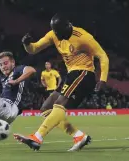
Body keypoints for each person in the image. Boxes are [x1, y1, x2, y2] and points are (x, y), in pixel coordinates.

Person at [13, 13, 109, 151]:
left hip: (84, 73)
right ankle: (79, 136)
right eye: (55, 32)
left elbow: (103, 56)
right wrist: (26, 44)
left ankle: (37, 137)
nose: (56, 35)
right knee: (46, 108)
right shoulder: (53, 34)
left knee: (59, 104)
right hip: (71, 74)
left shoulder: (83, 37)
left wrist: (103, 79)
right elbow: (34, 49)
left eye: (59, 32)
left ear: (67, 26)